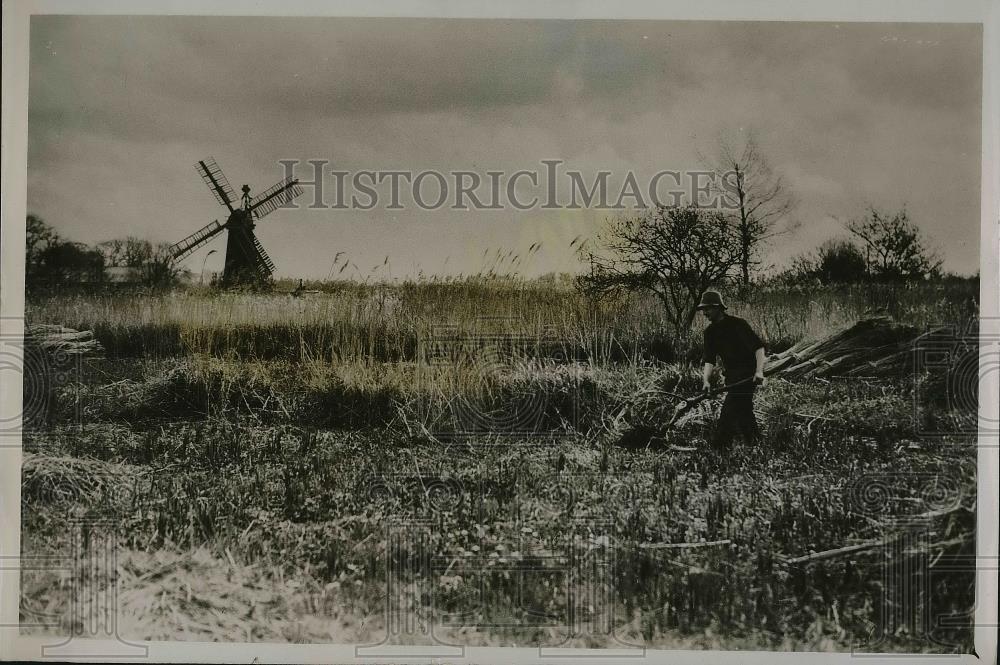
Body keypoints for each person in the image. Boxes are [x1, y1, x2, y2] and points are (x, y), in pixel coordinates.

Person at [698, 290, 766, 456]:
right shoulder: (710, 333)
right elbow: (709, 360)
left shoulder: (738, 324)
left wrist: (759, 372)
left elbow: (759, 348)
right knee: (744, 411)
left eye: (707, 309)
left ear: (718, 308)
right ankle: (756, 443)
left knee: (729, 411)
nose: (704, 313)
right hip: (732, 377)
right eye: (703, 309)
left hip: (748, 375)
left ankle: (719, 448)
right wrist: (706, 381)